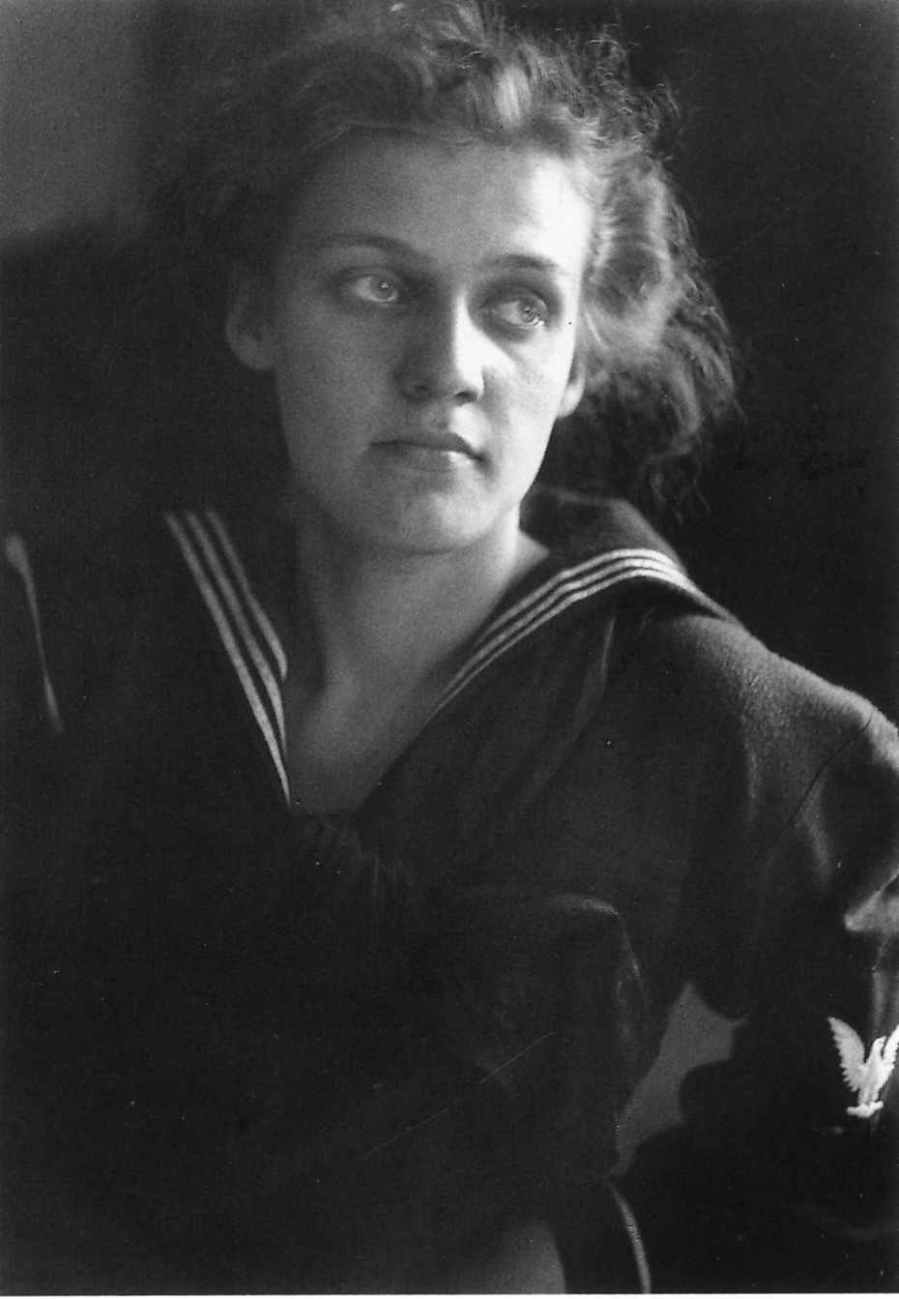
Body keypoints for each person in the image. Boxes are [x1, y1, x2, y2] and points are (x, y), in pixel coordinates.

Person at [1, 0, 897, 1290]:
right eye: (376, 286)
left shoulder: (700, 706)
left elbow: (866, 1126)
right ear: (256, 314)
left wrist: (566, 1264)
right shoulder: (68, 633)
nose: (446, 366)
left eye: (520, 305)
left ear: (579, 363)